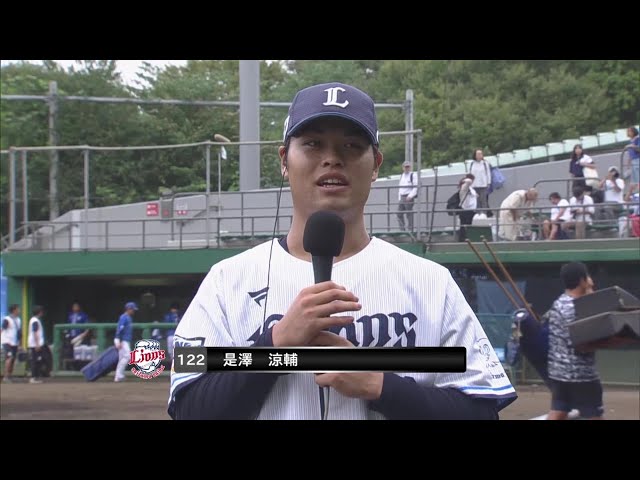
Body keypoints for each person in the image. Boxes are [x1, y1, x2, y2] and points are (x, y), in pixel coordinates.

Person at [167, 81, 516, 420]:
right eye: (314, 144)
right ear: (284, 160)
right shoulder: (227, 280)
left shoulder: (431, 282)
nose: (332, 158)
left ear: (376, 163)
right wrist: (275, 343)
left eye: (351, 146)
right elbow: (190, 409)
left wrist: (379, 384)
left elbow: (481, 411)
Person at [546, 262, 603, 420]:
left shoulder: (560, 302)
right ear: (582, 280)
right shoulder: (576, 307)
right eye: (588, 276)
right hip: (580, 375)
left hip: (558, 373)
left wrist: (589, 290)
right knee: (594, 414)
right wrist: (619, 340)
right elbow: (583, 344)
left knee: (558, 411)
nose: (591, 279)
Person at [114, 301, 137, 382]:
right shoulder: (123, 317)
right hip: (122, 340)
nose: (133, 311)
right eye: (132, 309)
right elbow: (120, 329)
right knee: (127, 356)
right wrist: (118, 340)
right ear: (128, 309)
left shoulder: (129, 317)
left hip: (125, 340)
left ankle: (118, 377)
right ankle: (119, 375)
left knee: (122, 358)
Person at [1, 304, 22, 383]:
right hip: (7, 341)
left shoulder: (18, 320)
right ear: (14, 310)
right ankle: (5, 377)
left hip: (14, 342)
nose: (19, 311)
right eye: (18, 309)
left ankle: (9, 376)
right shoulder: (7, 319)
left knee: (12, 359)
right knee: (9, 357)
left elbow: (19, 333)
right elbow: (2, 329)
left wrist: (19, 344)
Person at [396, 160, 417, 232]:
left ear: (410, 167)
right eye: (405, 167)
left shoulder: (413, 175)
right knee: (399, 213)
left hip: (409, 196)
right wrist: (399, 198)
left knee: (409, 214)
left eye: (408, 167)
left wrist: (410, 196)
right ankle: (402, 230)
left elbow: (416, 187)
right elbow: (400, 187)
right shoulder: (402, 175)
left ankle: (410, 229)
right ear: (403, 168)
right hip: (402, 196)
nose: (407, 168)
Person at [470, 149, 492, 215]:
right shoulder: (472, 163)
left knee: (483, 200)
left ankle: (484, 214)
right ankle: (477, 214)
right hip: (474, 185)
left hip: (483, 185)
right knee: (476, 201)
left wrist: (488, 182)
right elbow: (470, 174)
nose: (480, 155)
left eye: (481, 154)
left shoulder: (485, 163)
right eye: (478, 154)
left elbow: (488, 173)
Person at [456, 173, 478, 242]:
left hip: (471, 209)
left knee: (467, 225)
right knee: (465, 225)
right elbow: (469, 181)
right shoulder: (465, 186)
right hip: (466, 209)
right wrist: (465, 179)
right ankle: (463, 239)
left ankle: (465, 238)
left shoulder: (470, 188)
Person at [27, 305, 46, 384]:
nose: (42, 313)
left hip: (36, 343)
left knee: (38, 360)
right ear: (39, 312)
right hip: (35, 344)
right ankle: (33, 377)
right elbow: (35, 332)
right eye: (41, 311)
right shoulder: (35, 320)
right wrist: (37, 344)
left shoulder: (35, 320)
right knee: (35, 361)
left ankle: (35, 377)